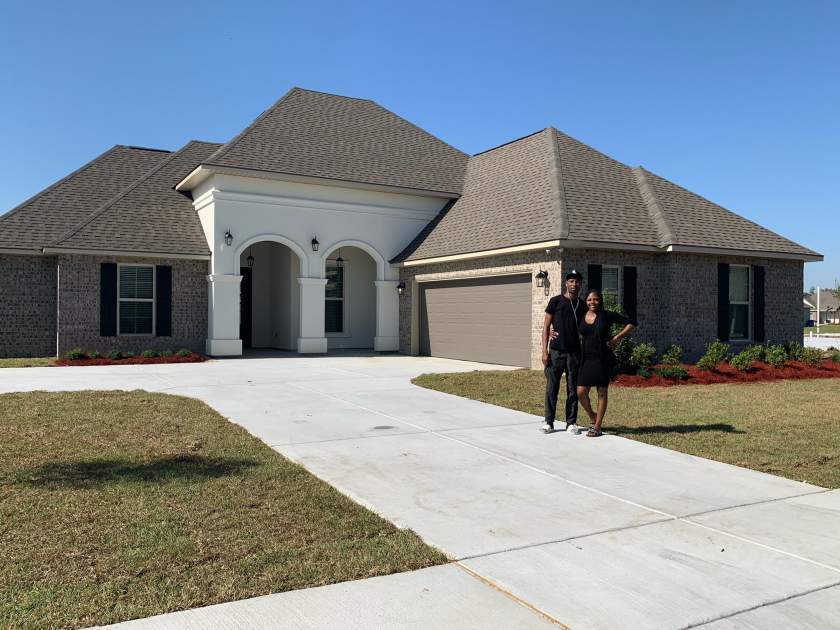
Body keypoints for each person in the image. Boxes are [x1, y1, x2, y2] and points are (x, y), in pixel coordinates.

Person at [576, 290, 637, 437]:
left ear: (600, 301)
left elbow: (632, 323)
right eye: (590, 300)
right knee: (580, 392)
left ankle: (597, 426)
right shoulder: (582, 315)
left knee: (601, 392)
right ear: (586, 301)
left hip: (602, 358)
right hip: (586, 359)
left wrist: (617, 338)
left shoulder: (607, 315)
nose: (592, 302)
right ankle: (592, 415)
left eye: (596, 299)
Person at [541, 270, 587, 434]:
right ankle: (549, 422)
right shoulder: (555, 301)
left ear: (580, 284)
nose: (574, 284)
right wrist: (544, 352)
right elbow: (546, 327)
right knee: (552, 387)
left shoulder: (582, 305)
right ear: (566, 283)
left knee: (573, 388)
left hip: (574, 352)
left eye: (577, 282)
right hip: (555, 352)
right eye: (571, 281)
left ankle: (571, 422)